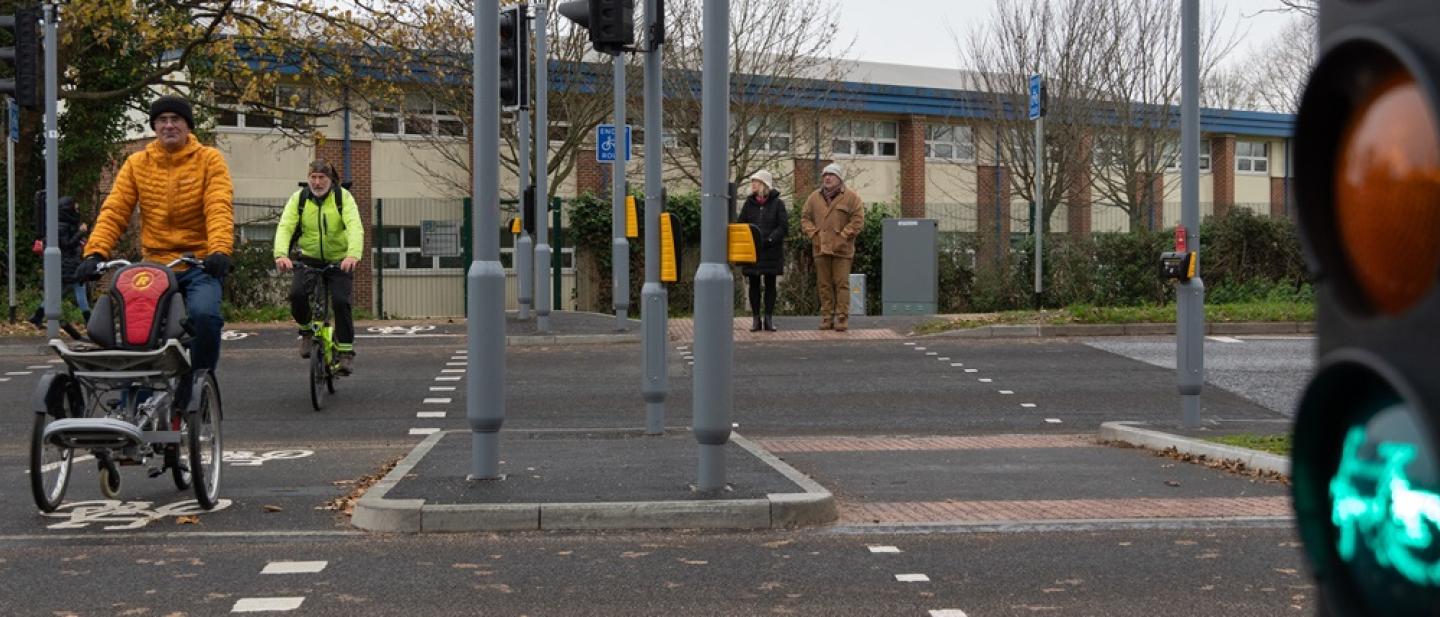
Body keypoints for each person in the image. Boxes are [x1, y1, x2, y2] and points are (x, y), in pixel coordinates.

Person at [76, 95, 234, 373]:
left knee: (204, 315)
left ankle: (201, 380)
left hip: (199, 262)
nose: (169, 125)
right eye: (162, 120)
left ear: (188, 126)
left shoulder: (209, 160)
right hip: (156, 264)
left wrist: (219, 251)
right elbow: (115, 209)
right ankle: (137, 398)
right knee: (137, 329)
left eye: (176, 120)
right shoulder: (138, 163)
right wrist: (96, 252)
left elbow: (218, 206)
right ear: (154, 126)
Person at [273, 160, 364, 375]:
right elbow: (285, 226)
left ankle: (345, 352)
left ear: (331, 180)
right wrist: (281, 254)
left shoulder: (343, 198)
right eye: (313, 177)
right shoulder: (300, 199)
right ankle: (305, 332)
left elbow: (354, 227)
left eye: (322, 177)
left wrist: (352, 254)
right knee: (296, 295)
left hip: (339, 260)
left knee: (341, 303)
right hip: (309, 259)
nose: (317, 182)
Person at [799, 163, 864, 332]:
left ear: (839, 178)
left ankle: (842, 317)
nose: (827, 178)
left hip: (842, 250)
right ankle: (826, 317)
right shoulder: (814, 197)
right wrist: (813, 234)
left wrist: (844, 236)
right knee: (824, 284)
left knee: (842, 284)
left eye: (831, 175)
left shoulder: (851, 197)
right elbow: (805, 218)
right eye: (825, 175)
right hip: (820, 248)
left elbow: (858, 220)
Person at [736, 170, 787, 332]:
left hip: (771, 251)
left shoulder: (778, 204)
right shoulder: (748, 204)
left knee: (771, 284)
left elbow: (783, 227)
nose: (753, 185)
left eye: (755, 182)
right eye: (752, 182)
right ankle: (756, 319)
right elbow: (741, 224)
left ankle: (769, 319)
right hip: (753, 252)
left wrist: (770, 239)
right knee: (754, 285)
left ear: (764, 184)